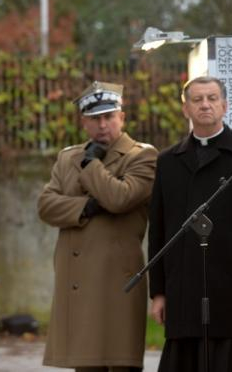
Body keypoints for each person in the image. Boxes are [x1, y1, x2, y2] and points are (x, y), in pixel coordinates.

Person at [148, 76, 232, 372]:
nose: (205, 104)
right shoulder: (168, 161)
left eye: (212, 98)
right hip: (183, 297)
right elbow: (158, 230)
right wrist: (158, 292)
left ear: (225, 105)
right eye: (197, 99)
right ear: (186, 109)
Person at [37, 81, 158, 371]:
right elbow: (46, 205)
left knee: (120, 362)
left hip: (116, 279)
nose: (103, 125)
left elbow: (120, 198)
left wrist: (92, 166)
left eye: (109, 116)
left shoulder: (142, 155)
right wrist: (86, 206)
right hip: (77, 280)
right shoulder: (68, 157)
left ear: (122, 117)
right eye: (95, 119)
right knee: (86, 364)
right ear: (84, 122)